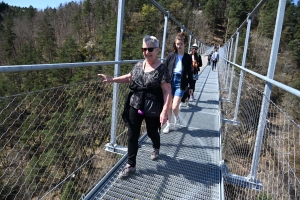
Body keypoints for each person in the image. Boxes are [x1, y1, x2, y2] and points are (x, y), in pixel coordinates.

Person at [98, 35, 172, 179]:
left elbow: (167, 91)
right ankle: (131, 164)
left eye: (150, 49)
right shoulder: (139, 65)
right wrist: (111, 79)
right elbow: (129, 77)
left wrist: (164, 111)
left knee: (152, 132)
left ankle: (156, 146)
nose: (146, 52)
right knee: (132, 134)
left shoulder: (162, 69)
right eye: (144, 49)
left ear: (157, 50)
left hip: (152, 106)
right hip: (136, 104)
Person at [162, 32, 194, 134]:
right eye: (177, 44)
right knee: (168, 106)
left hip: (181, 82)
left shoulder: (188, 58)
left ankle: (177, 117)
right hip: (170, 81)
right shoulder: (171, 55)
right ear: (175, 44)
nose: (179, 46)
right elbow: (164, 68)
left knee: (175, 106)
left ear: (185, 44)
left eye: (181, 44)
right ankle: (168, 125)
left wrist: (191, 86)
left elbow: (190, 72)